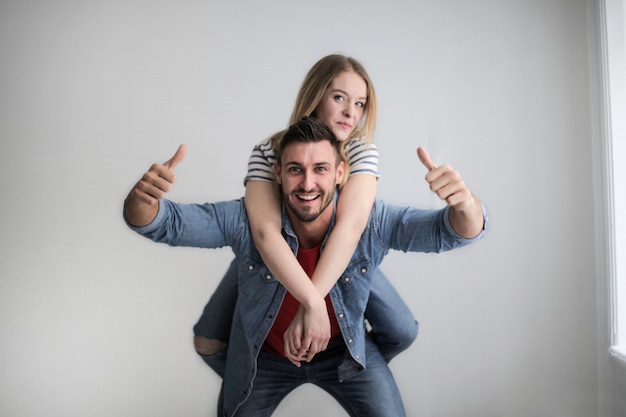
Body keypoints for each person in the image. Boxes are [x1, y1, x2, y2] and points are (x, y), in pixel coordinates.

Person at [123, 117, 487, 416]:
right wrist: (141, 201)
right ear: (277, 173)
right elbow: (163, 223)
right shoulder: (247, 219)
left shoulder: (371, 221)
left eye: (321, 169)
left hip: (345, 356)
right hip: (265, 357)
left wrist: (465, 204)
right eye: (296, 170)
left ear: (341, 173)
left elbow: (449, 233)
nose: (308, 183)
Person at [193, 54, 417, 368]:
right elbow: (263, 231)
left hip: (344, 256)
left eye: (359, 104)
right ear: (316, 95)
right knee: (207, 339)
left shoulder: (361, 150)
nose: (350, 112)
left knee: (403, 329)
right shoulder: (269, 149)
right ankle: (259, 370)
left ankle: (352, 364)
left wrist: (310, 306)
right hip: (273, 253)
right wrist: (312, 302)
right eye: (339, 97)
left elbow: (351, 227)